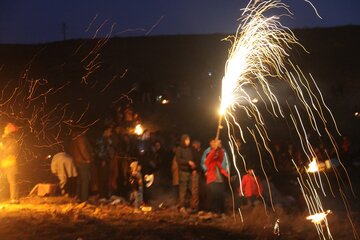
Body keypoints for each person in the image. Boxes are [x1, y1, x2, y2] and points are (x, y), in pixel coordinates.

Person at [203, 139, 229, 214]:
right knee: (213, 195)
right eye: (213, 143)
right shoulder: (208, 153)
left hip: (219, 178)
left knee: (220, 195)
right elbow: (207, 160)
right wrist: (214, 150)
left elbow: (221, 157)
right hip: (212, 178)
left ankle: (221, 210)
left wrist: (220, 148)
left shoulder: (218, 157)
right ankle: (213, 210)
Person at [69, 131, 93, 202]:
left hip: (77, 161)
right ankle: (84, 199)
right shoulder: (81, 138)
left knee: (80, 180)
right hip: (83, 162)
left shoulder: (74, 138)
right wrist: (88, 159)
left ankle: (79, 197)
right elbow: (83, 149)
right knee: (85, 181)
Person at [176, 134, 196, 213]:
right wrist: (188, 162)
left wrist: (193, 165)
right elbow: (179, 160)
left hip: (190, 171)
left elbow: (191, 158)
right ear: (183, 140)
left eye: (189, 140)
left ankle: (189, 205)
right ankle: (182, 206)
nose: (188, 141)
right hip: (183, 171)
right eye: (186, 140)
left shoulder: (189, 149)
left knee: (190, 189)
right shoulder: (179, 149)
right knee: (183, 189)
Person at [0, 123, 20, 204]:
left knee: (12, 182)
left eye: (5, 129)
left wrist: (2, 147)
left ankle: (14, 199)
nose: (4, 131)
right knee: (10, 182)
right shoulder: (6, 141)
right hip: (4, 164)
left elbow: (11, 151)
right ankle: (13, 198)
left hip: (10, 164)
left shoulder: (12, 141)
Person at [94, 125, 116, 199]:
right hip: (103, 162)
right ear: (105, 131)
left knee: (107, 178)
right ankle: (102, 195)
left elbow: (110, 150)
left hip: (108, 161)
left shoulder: (108, 140)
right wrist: (103, 160)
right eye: (109, 131)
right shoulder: (100, 140)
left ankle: (106, 195)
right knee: (102, 178)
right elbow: (100, 151)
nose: (111, 133)